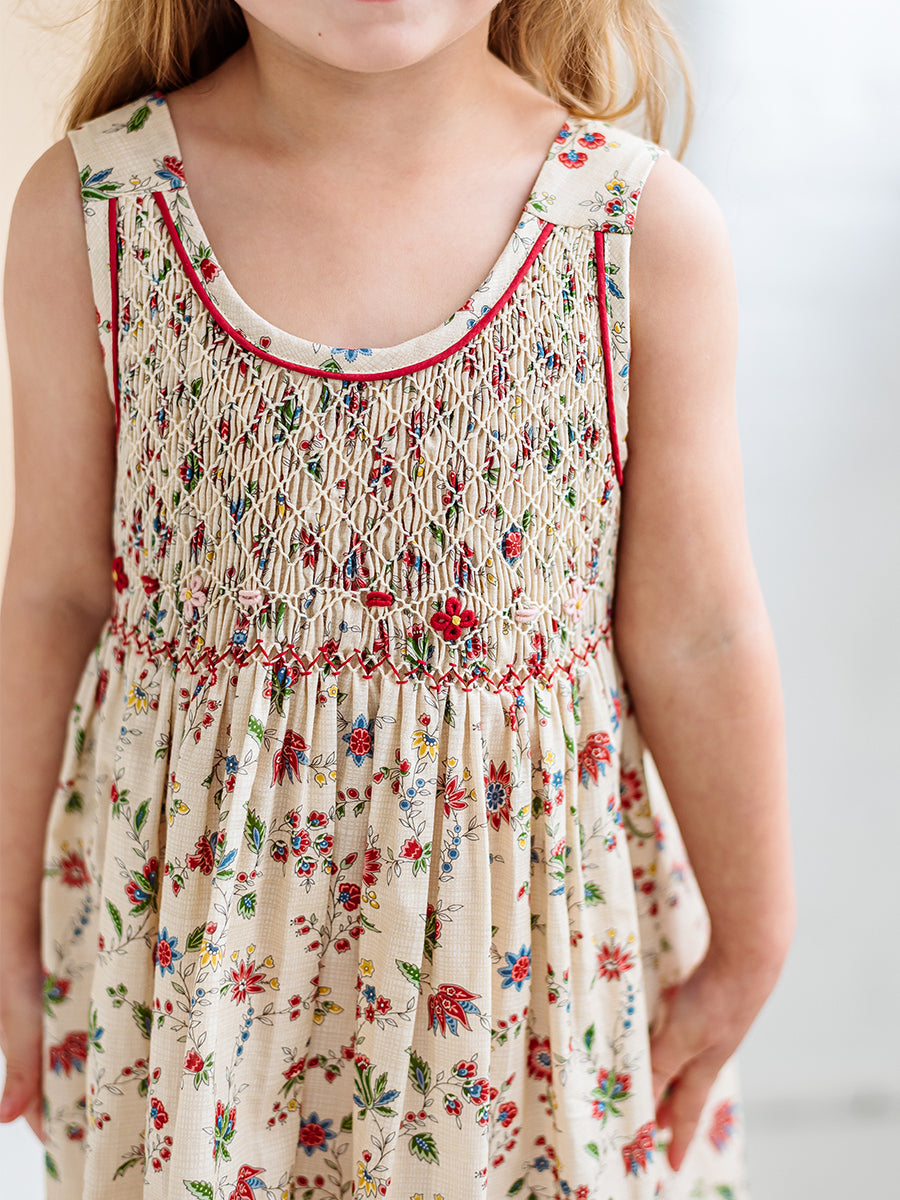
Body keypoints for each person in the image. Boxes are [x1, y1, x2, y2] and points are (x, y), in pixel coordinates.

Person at [0, 1, 795, 1197]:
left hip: (520, 998)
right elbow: (54, 596)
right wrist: (9, 928)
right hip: (198, 993)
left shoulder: (634, 229)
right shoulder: (96, 209)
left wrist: (753, 941)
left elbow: (699, 631)